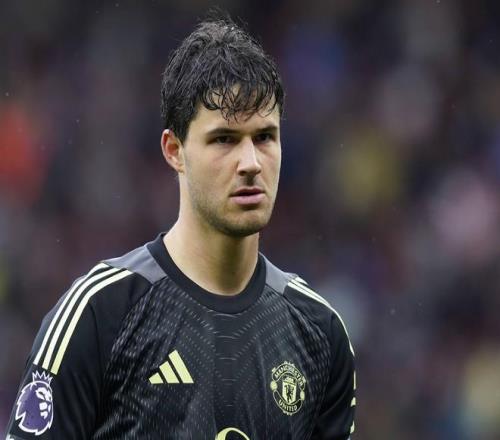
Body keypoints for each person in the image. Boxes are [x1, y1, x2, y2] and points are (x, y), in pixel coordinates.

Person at [5, 15, 356, 440]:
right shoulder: (99, 314)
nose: (250, 162)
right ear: (174, 150)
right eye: (224, 139)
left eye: (265, 137)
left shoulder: (319, 333)